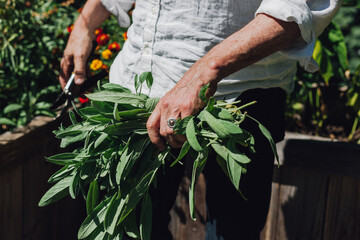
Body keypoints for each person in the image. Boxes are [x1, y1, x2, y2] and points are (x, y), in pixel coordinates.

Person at [59, 0, 341, 239]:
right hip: (137, 90)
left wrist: (205, 72)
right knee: (128, 230)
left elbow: (298, 7)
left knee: (233, 232)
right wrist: (85, 24)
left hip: (237, 100)